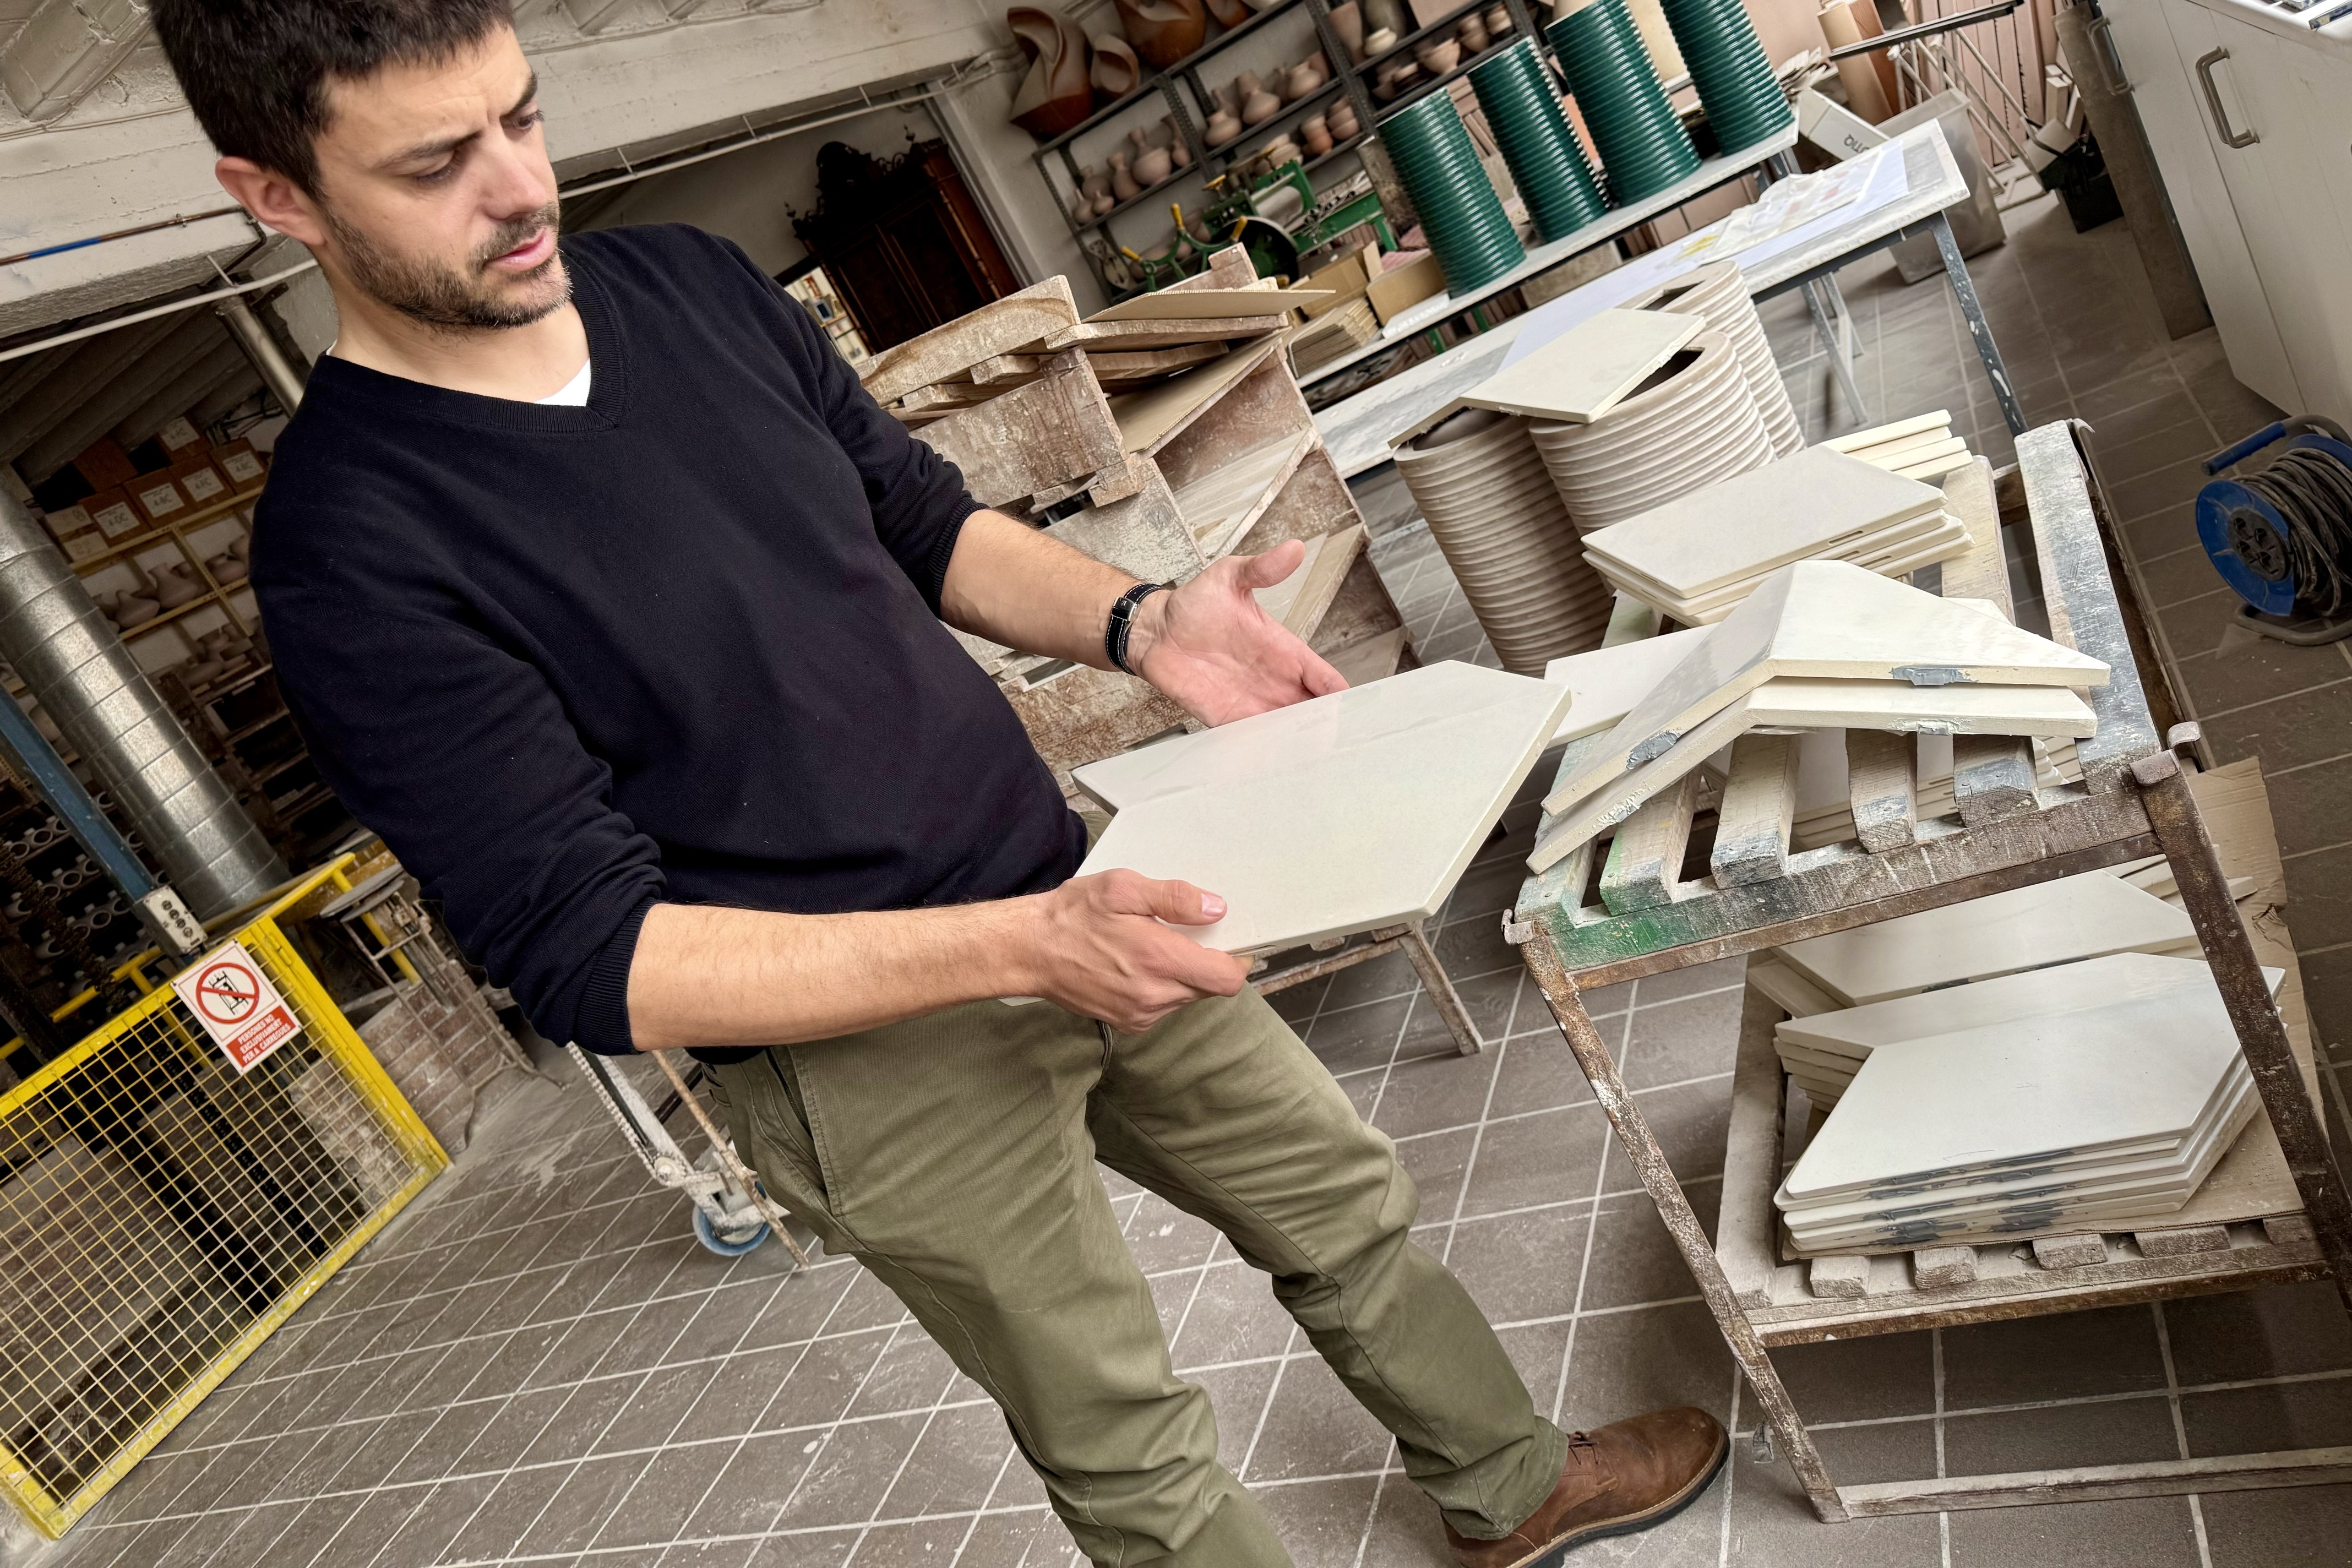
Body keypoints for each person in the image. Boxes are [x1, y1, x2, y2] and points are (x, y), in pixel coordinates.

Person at [150, 2, 1726, 1562]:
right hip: (863, 1055)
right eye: (435, 164)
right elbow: (586, 954)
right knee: (1127, 1440)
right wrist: (1018, 950)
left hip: (1064, 884)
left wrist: (1139, 622)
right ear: (275, 196)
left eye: (523, 117)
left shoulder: (686, 287)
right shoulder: (351, 550)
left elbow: (918, 520)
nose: (517, 189)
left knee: (1344, 1206)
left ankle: (1511, 1483)